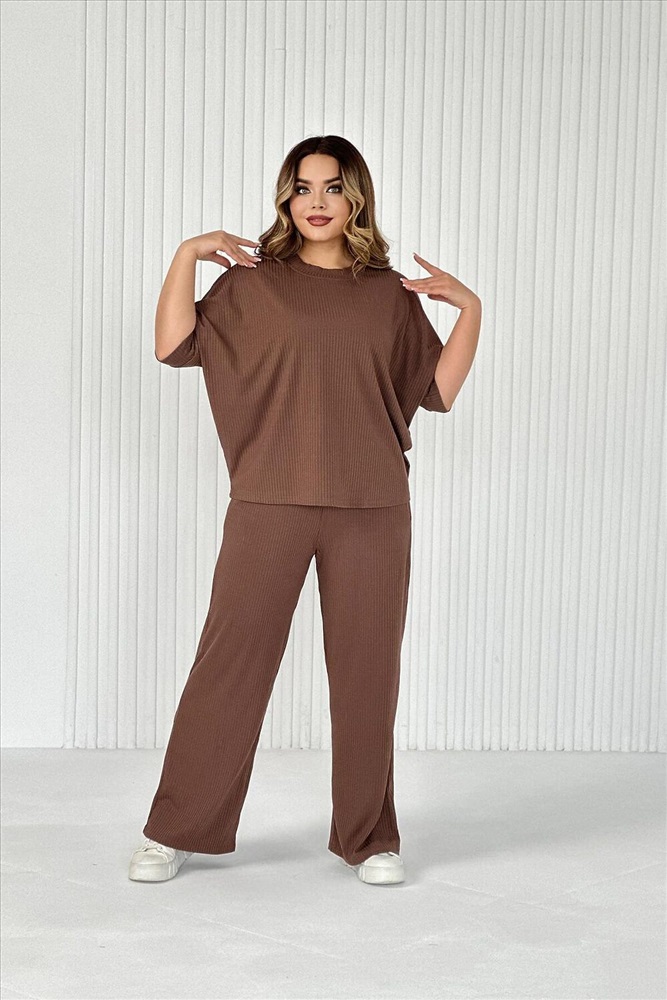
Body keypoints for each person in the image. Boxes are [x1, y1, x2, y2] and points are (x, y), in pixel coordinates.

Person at [128, 135, 481, 886]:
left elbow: (436, 393)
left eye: (332, 187)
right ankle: (175, 828)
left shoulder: (388, 294)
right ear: (285, 198)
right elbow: (172, 345)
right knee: (229, 666)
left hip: (372, 507)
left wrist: (471, 310)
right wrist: (188, 253)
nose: (315, 202)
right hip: (269, 501)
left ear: (357, 198)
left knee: (367, 676)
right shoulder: (253, 283)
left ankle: (370, 838)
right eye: (301, 187)